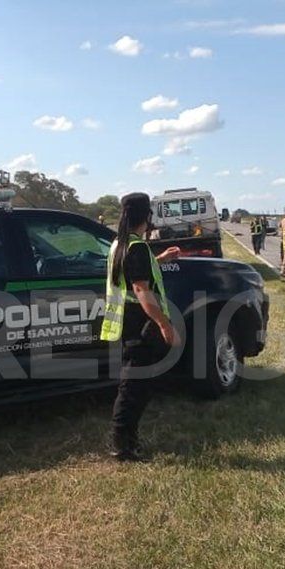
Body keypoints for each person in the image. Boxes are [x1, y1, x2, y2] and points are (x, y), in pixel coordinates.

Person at [101, 192, 182, 461]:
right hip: (139, 325)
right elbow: (140, 289)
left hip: (127, 322)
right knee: (133, 388)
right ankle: (122, 446)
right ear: (145, 216)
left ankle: (127, 440)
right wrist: (164, 324)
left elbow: (133, 274)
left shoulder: (120, 244)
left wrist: (160, 260)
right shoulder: (136, 247)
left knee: (136, 385)